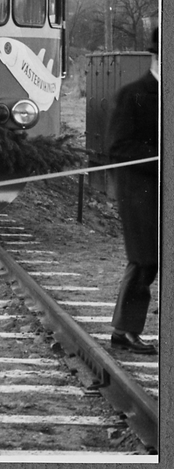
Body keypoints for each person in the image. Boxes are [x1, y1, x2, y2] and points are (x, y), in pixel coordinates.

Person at [107, 27, 160, 355]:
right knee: (144, 260)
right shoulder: (134, 94)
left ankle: (125, 329)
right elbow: (119, 147)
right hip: (140, 190)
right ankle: (124, 331)